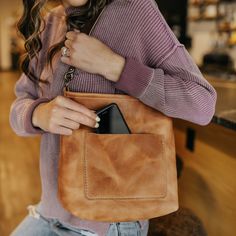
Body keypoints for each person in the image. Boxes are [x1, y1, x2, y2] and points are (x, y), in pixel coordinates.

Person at [9, 0, 217, 235]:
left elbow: (202, 104)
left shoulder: (135, 10)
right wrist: (38, 114)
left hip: (108, 223)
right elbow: (20, 103)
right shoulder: (51, 22)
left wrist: (114, 66)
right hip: (49, 212)